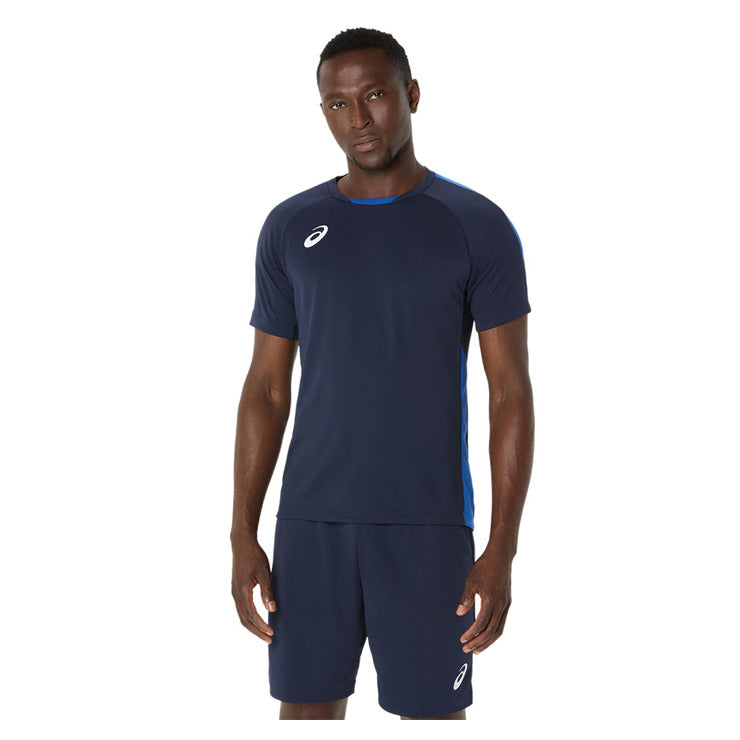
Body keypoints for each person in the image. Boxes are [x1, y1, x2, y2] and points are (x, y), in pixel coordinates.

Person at [231, 27, 534, 721]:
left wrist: (502, 549)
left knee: (432, 719)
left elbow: (510, 394)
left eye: (374, 95)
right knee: (306, 714)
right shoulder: (290, 226)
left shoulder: (475, 225)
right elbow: (266, 389)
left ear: (411, 95)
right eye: (338, 104)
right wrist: (242, 530)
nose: (358, 119)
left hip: (427, 525)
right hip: (310, 525)